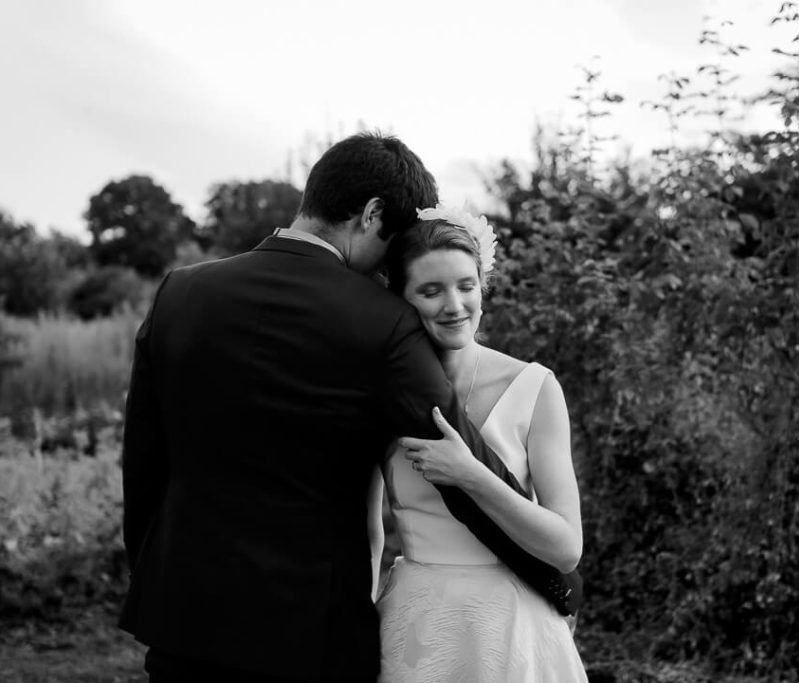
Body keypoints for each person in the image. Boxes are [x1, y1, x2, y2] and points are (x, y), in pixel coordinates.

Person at [118, 133, 557, 683]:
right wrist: (557, 579)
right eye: (392, 243)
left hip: (182, 619)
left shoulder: (179, 293)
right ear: (372, 214)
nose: (385, 270)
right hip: (311, 635)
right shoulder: (381, 320)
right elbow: (455, 456)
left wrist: (158, 582)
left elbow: (143, 467)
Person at [373, 205, 589, 682]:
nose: (454, 306)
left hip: (513, 624)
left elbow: (566, 547)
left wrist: (469, 474)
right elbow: (370, 533)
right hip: (420, 623)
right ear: (401, 299)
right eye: (431, 291)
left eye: (466, 286)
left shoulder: (535, 387)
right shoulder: (381, 397)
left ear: (482, 288)